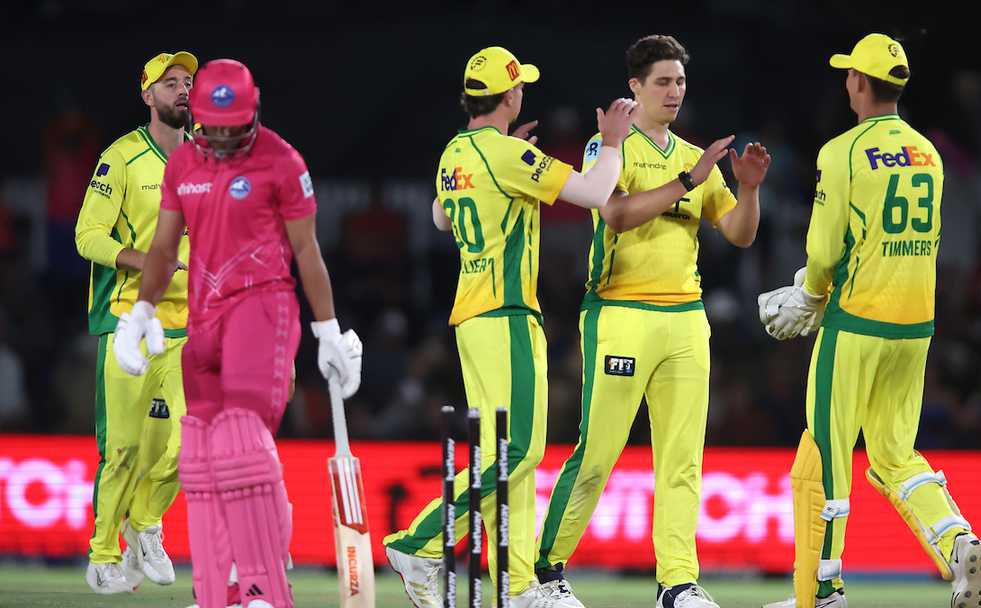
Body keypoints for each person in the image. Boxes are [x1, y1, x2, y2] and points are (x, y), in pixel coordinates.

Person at [382, 46, 636, 608]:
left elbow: (440, 217)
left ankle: (517, 586)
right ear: (510, 95)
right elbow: (595, 193)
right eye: (521, 87)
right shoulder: (505, 154)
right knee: (518, 450)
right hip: (507, 314)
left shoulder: (456, 151)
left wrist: (507, 162)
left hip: (472, 318)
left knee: (510, 455)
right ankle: (418, 543)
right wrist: (613, 141)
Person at [531, 34, 771, 608]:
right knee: (598, 451)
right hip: (620, 312)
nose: (674, 92)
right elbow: (615, 214)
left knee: (683, 460)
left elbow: (739, 233)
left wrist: (748, 188)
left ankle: (677, 583)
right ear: (634, 87)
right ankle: (545, 572)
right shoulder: (608, 145)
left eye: (680, 81)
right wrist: (688, 181)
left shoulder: (694, 154)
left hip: (686, 317)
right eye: (662, 81)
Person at [113, 58, 362, 608]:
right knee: (200, 460)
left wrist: (327, 329)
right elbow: (163, 248)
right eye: (214, 129)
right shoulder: (183, 162)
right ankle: (216, 593)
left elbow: (307, 250)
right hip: (203, 319)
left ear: (254, 110)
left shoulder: (282, 161)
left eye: (236, 129)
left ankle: (263, 589)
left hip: (263, 310)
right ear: (198, 116)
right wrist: (141, 311)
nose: (225, 140)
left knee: (240, 443)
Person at [758, 34, 981, 608]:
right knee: (894, 456)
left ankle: (823, 592)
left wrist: (810, 295)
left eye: (849, 74)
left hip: (856, 322)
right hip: (915, 326)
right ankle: (957, 543)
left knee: (827, 455)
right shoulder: (928, 152)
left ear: (859, 83)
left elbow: (824, 247)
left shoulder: (842, 151)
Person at [74, 51, 198, 594]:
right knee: (123, 449)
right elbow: (87, 236)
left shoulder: (205, 158)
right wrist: (143, 261)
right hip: (129, 321)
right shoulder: (121, 158)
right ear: (147, 95)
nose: (182, 90)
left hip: (189, 325)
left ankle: (145, 523)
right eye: (170, 83)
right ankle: (103, 554)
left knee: (189, 446)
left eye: (188, 82)